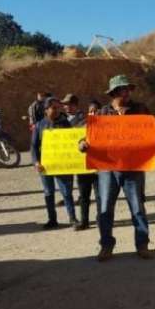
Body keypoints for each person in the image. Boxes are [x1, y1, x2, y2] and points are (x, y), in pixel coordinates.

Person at [80, 74, 155, 261]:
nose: (126, 93)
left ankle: (142, 245)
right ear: (113, 93)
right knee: (105, 209)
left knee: (137, 208)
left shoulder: (141, 109)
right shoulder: (101, 114)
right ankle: (106, 246)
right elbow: (88, 138)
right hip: (107, 169)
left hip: (133, 168)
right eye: (122, 90)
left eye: (128, 89)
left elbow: (153, 134)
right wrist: (83, 144)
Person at [31, 97, 78, 230]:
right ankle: (52, 220)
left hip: (62, 165)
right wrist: (36, 162)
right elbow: (34, 146)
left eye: (59, 107)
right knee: (48, 193)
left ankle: (73, 218)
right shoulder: (39, 125)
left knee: (67, 193)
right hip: (45, 166)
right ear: (46, 110)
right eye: (54, 108)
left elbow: (72, 143)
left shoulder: (65, 124)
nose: (58, 110)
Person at [62, 94, 99, 231]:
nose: (66, 107)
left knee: (99, 194)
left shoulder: (86, 118)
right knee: (84, 195)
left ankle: (101, 219)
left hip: (95, 162)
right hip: (79, 163)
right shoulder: (62, 120)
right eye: (65, 104)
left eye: (69, 104)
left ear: (76, 105)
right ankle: (84, 221)